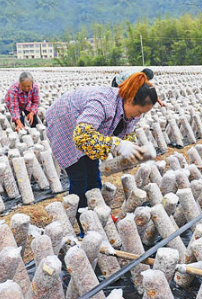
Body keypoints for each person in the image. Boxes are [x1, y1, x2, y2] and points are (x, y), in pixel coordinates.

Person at [45, 72, 158, 233]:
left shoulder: (130, 108)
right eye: (139, 112)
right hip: (65, 120)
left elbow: (127, 130)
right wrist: (116, 144)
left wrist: (133, 151)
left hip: (87, 126)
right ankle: (84, 224)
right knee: (79, 176)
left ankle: (98, 216)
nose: (139, 116)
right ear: (130, 100)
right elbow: (82, 136)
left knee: (93, 173)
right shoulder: (102, 102)